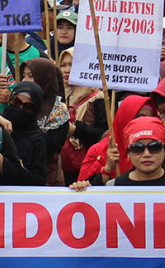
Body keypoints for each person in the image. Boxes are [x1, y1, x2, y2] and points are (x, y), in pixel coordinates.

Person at [75, 94, 156, 187]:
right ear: (124, 118)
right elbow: (83, 192)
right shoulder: (98, 150)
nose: (146, 122)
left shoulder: (157, 149)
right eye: (140, 117)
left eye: (151, 118)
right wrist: (107, 168)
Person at [57, 48, 106, 184]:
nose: (66, 70)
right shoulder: (58, 96)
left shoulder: (98, 98)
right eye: (63, 65)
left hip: (89, 169)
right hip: (62, 169)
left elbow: (104, 134)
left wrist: (76, 130)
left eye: (72, 64)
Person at [21, 57, 70, 185]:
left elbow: (48, 147)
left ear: (44, 78)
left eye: (30, 76)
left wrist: (27, 114)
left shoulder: (58, 111)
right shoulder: (19, 101)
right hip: (20, 173)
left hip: (47, 177)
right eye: (23, 76)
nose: (25, 81)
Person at [1, 81, 47, 185]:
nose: (19, 109)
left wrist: (18, 170)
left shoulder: (36, 139)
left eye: (28, 107)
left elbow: (39, 179)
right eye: (16, 102)